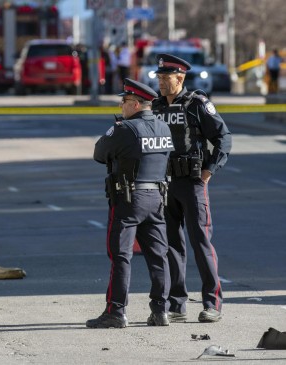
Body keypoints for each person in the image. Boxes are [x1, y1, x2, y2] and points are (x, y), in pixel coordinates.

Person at [86, 78, 174, 329]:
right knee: (159, 257)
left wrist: (115, 131)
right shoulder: (164, 128)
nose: (121, 105)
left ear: (135, 104)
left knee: (120, 255)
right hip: (157, 198)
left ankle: (116, 311)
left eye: (124, 101)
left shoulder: (125, 129)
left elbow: (99, 154)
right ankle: (160, 311)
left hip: (128, 199)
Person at [152, 54, 232, 323]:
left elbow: (223, 137)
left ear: (181, 77)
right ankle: (177, 304)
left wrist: (210, 170)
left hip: (192, 183)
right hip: (165, 184)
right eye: (159, 78)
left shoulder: (196, 104)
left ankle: (212, 303)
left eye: (166, 78)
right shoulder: (155, 107)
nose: (161, 83)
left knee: (200, 243)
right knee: (171, 245)